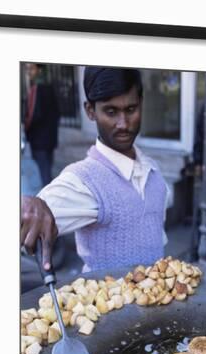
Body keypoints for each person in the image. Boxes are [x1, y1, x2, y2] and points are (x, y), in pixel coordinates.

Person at [21, 67, 169, 272]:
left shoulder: (153, 171)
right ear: (90, 111)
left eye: (131, 110)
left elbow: (156, 237)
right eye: (111, 111)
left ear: (141, 104)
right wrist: (26, 205)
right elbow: (32, 215)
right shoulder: (83, 180)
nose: (123, 124)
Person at [23, 63, 60, 187]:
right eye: (27, 69)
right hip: (49, 138)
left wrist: (26, 128)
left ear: (39, 70)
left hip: (39, 139)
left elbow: (33, 115)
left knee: (45, 175)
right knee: (47, 170)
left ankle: (47, 203)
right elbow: (57, 113)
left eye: (31, 69)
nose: (28, 72)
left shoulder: (36, 88)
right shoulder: (48, 86)